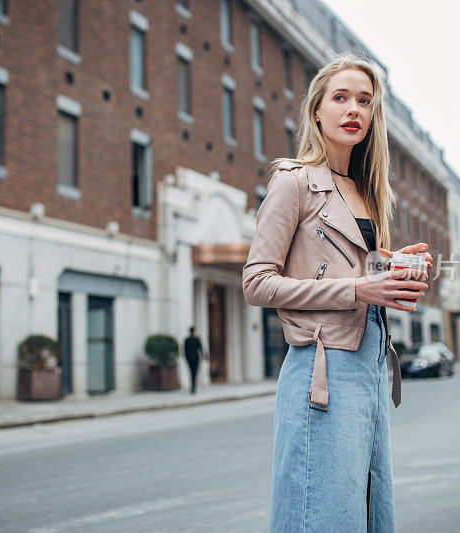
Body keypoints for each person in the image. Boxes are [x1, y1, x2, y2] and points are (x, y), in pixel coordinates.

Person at [242, 52, 433, 532]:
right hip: (320, 369)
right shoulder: (294, 182)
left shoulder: (367, 192)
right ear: (316, 111)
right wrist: (358, 287)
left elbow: (354, 272)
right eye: (341, 97)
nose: (354, 109)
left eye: (365, 100)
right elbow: (257, 282)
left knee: (365, 510)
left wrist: (392, 267)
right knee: (321, 513)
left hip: (369, 365)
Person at [183, 326, 205, 394]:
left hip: (189, 358)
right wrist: (203, 356)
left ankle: (192, 386)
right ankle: (193, 386)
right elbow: (200, 348)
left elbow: (184, 350)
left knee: (191, 372)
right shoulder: (197, 339)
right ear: (194, 331)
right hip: (195, 358)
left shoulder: (187, 339)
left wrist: (186, 357)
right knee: (194, 372)